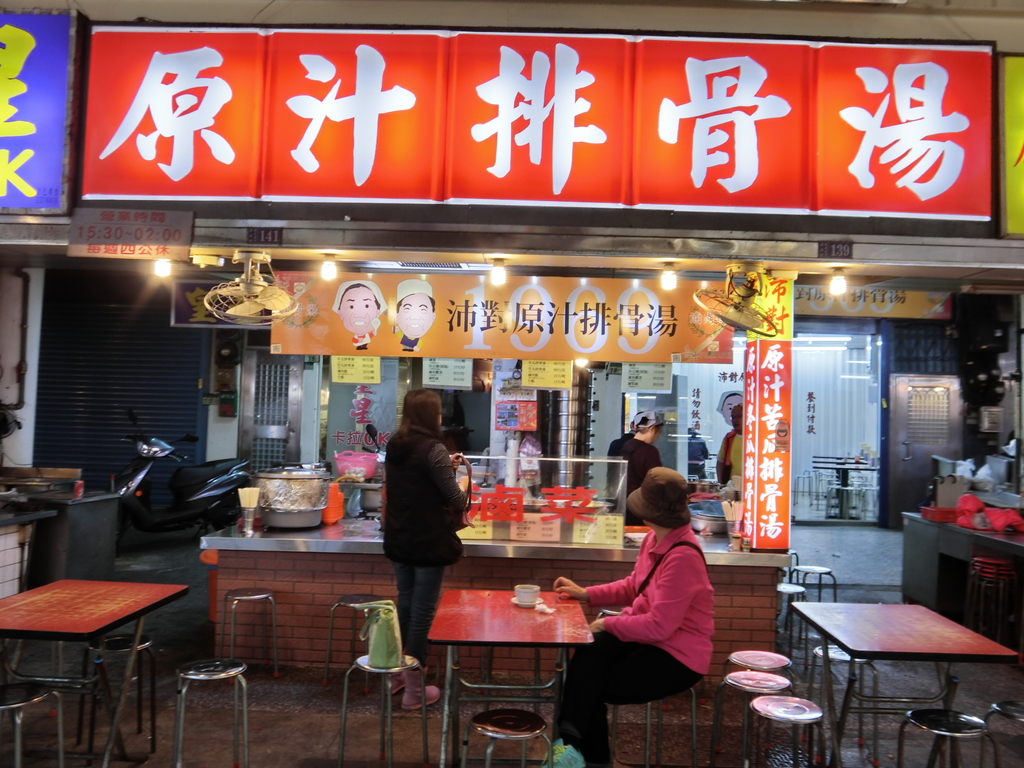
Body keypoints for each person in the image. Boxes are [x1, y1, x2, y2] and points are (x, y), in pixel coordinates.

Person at [550, 468, 714, 768]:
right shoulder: (654, 539)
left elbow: (659, 626)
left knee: (591, 682)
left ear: (650, 512)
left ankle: (576, 752)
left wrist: (607, 622)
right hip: (652, 639)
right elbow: (633, 586)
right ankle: (572, 748)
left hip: (679, 657)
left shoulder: (683, 557)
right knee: (592, 650)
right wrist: (586, 594)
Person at [383, 388, 470, 709]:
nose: (440, 417)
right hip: (428, 542)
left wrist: (443, 465)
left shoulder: (395, 444)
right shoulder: (433, 447)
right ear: (428, 415)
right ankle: (415, 692)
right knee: (422, 613)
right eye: (436, 412)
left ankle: (397, 677)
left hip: (398, 538)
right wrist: (460, 481)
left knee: (405, 605)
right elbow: (456, 500)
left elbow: (412, 479)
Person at [620, 411, 663, 525]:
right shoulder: (650, 451)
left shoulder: (625, 446)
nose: (657, 437)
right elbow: (657, 481)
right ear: (652, 429)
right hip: (641, 507)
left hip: (622, 504)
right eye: (659, 432)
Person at [394, 278, 437, 352]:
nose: (415, 318)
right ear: (397, 316)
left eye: (423, 310)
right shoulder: (402, 334)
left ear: (433, 317)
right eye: (407, 309)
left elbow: (418, 347)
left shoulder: (418, 341)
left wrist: (416, 349)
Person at [716, 403, 744, 485]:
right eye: (733, 417)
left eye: (739, 416)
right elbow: (720, 461)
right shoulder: (729, 438)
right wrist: (720, 483)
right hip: (732, 486)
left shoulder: (757, 438)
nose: (735, 420)